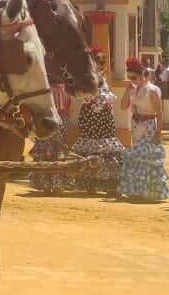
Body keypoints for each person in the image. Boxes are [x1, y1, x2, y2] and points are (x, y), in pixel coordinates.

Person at [45, 49, 120, 195]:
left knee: (107, 148)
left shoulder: (103, 78)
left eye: (101, 64)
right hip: (89, 117)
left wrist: (104, 99)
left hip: (104, 117)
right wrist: (100, 99)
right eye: (97, 63)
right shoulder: (86, 77)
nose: (99, 66)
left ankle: (109, 184)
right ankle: (89, 184)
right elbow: (82, 94)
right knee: (90, 148)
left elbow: (106, 95)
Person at [116, 57, 169, 202]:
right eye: (130, 78)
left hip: (149, 126)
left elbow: (159, 113)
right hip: (137, 126)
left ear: (142, 75)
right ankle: (137, 190)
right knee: (138, 158)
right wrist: (127, 92)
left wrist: (159, 133)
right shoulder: (133, 89)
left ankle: (146, 191)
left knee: (145, 157)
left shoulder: (152, 90)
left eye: (134, 77)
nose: (132, 80)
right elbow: (123, 107)